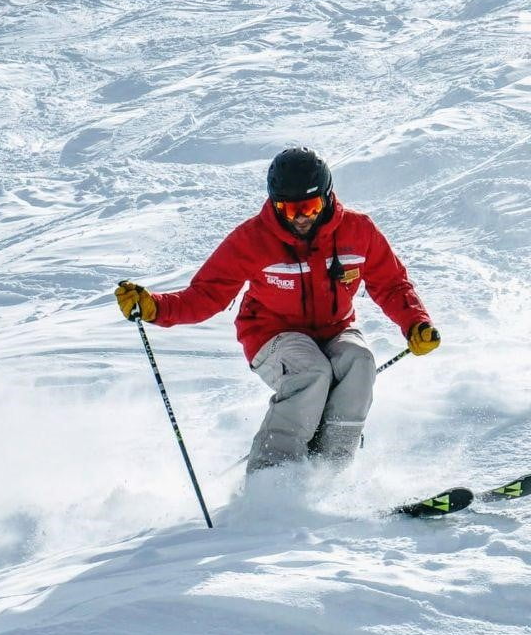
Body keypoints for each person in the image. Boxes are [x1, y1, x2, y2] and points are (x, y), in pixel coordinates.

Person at [115, 147, 441, 473]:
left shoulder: (358, 232)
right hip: (271, 335)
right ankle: (271, 475)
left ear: (327, 199)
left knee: (359, 363)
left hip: (335, 329)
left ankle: (330, 470)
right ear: (274, 204)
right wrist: (154, 308)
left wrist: (416, 323)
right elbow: (205, 295)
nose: (300, 218)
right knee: (312, 373)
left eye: (310, 207)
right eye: (289, 209)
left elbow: (392, 284)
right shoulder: (252, 240)